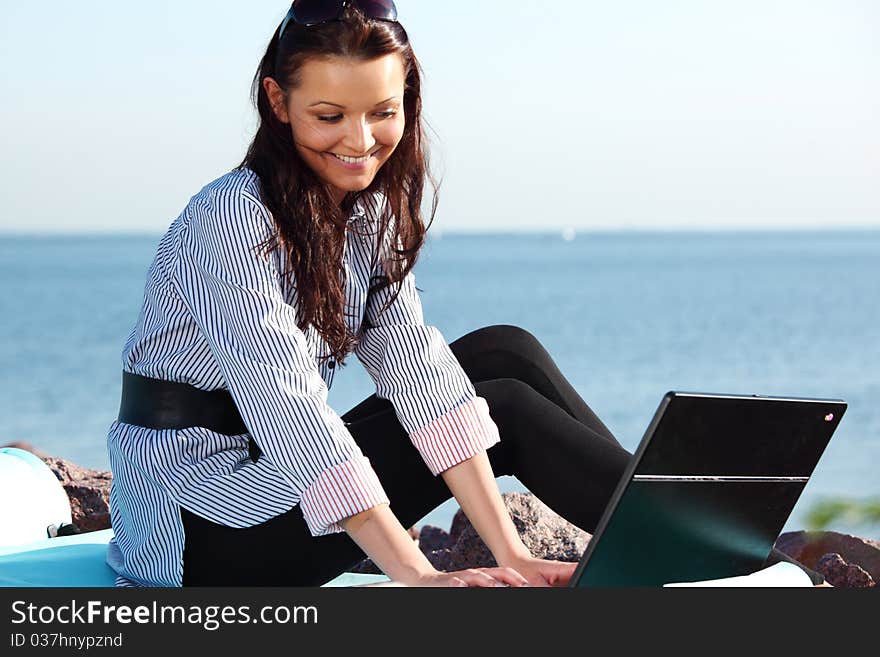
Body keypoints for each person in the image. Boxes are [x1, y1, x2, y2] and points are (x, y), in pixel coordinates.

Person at [106, 0, 826, 588]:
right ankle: (706, 550)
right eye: (329, 116)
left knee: (502, 351)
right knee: (503, 404)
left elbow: (420, 369)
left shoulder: (369, 213)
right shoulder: (231, 218)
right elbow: (291, 414)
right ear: (278, 102)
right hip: (203, 531)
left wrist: (507, 552)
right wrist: (418, 578)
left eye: (382, 111)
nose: (359, 141)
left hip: (272, 485)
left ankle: (667, 537)